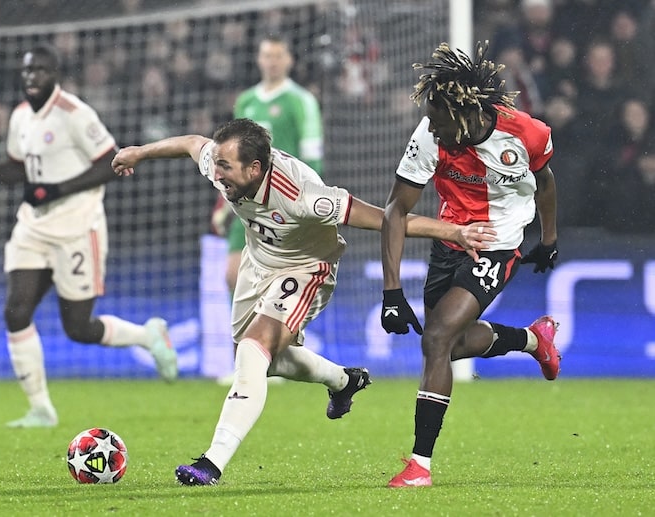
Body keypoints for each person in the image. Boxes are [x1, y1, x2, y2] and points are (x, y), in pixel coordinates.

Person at [111, 117, 497, 485]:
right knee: (265, 361)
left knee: (253, 349)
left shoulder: (303, 197)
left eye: (226, 166)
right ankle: (344, 380)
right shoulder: (219, 164)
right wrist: (139, 153)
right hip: (257, 263)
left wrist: (454, 232)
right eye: (218, 163)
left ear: (255, 169)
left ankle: (211, 463)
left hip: (307, 268)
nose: (218, 172)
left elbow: (387, 219)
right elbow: (191, 143)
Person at [380, 42, 561, 488]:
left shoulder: (526, 134)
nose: (432, 128)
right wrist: (392, 291)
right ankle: (531, 340)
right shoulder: (429, 136)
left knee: (437, 337)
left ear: (467, 114)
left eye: (439, 121)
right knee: (447, 345)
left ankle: (420, 466)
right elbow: (395, 211)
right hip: (449, 241)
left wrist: (549, 239)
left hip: (499, 244)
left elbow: (545, 181)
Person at [0, 44, 178, 428]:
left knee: (78, 328)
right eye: (27, 70)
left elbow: (110, 162)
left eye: (40, 70)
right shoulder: (20, 116)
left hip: (77, 228)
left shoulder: (74, 114)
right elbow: (22, 167)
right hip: (33, 227)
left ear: (55, 74)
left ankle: (148, 335)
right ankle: (40, 409)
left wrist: (56, 189)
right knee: (16, 310)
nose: (32, 76)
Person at [213, 35, 325, 385]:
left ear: (288, 60)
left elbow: (312, 154)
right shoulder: (246, 100)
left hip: (283, 204)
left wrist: (308, 203)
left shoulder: (301, 101)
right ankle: (243, 362)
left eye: (278, 55)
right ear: (259, 59)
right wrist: (221, 203)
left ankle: (268, 356)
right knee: (233, 274)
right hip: (245, 204)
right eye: (266, 55)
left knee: (276, 280)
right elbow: (228, 159)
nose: (272, 61)